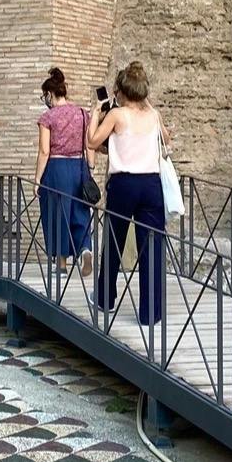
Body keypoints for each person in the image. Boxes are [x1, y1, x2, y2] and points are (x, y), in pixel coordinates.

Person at [88, 61, 167, 327]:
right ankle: (150, 313)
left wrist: (94, 114)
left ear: (121, 91)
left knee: (113, 242)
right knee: (152, 246)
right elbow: (165, 139)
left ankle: (104, 298)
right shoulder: (154, 115)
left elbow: (92, 141)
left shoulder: (117, 115)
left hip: (124, 184)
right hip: (152, 184)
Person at [34, 68, 92, 274]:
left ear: (50, 94)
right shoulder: (83, 114)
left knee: (58, 213)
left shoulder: (48, 117)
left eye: (44, 96)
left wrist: (37, 178)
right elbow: (89, 145)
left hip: (57, 168)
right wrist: (90, 168)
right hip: (80, 167)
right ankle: (85, 249)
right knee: (80, 211)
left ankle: (61, 264)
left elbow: (44, 150)